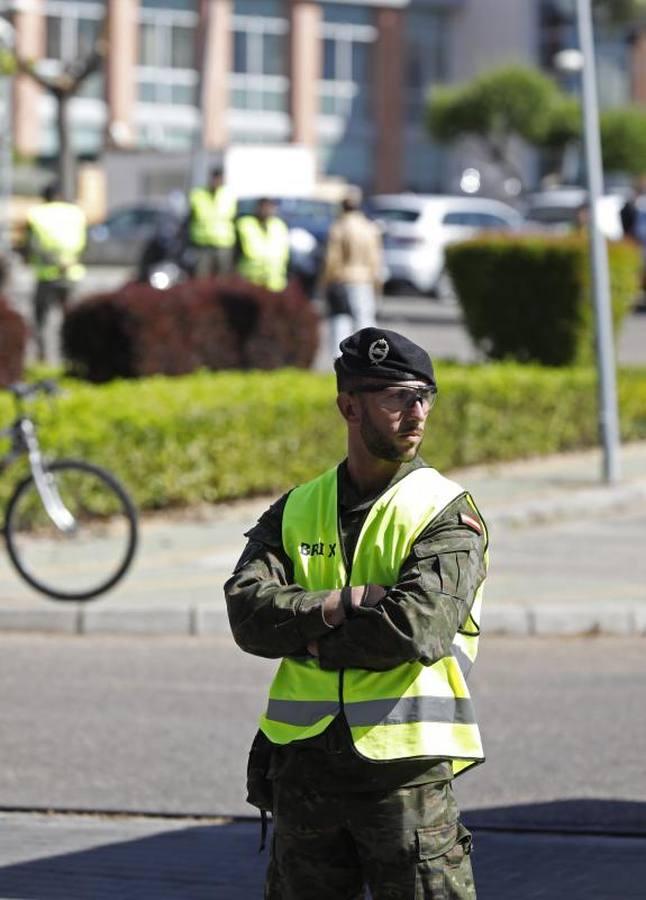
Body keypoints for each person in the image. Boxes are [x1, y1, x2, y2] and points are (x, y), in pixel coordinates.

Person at [225, 327, 488, 899]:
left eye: (424, 396)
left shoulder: (444, 512)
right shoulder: (297, 507)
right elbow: (246, 613)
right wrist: (344, 602)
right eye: (396, 397)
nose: (416, 412)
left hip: (405, 778)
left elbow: (415, 629)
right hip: (303, 771)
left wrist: (305, 634)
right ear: (349, 405)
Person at [25, 183, 87, 361]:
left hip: (47, 274)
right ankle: (72, 355)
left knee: (41, 318)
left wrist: (51, 261)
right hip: (72, 272)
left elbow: (32, 245)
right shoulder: (76, 213)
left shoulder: (37, 214)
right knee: (72, 316)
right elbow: (86, 242)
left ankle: (43, 355)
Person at [321, 190, 383, 356]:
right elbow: (376, 259)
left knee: (341, 320)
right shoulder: (370, 227)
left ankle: (340, 359)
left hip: (343, 278)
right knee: (365, 320)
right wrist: (377, 282)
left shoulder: (339, 227)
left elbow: (332, 258)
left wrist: (325, 281)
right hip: (365, 279)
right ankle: (369, 357)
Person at [186, 167, 237, 278]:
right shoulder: (198, 194)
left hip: (223, 243)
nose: (216, 182)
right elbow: (190, 217)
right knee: (201, 275)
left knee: (223, 277)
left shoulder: (228, 195)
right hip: (202, 243)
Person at [235, 197, 290, 292]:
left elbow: (285, 255)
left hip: (275, 284)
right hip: (251, 282)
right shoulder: (245, 224)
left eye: (270, 206)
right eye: (264, 206)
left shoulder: (279, 226)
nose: (267, 210)